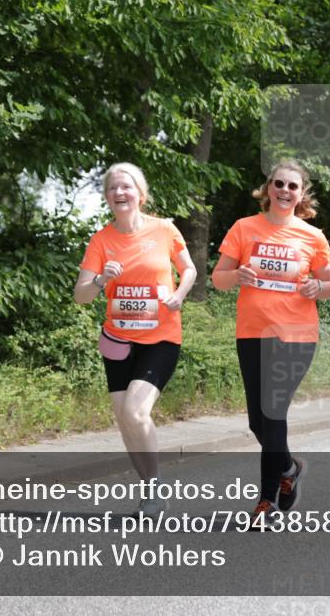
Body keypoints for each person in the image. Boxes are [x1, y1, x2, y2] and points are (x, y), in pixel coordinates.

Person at [211, 160, 330, 526]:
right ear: (267, 189)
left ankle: (265, 502)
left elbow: (328, 286)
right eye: (278, 184)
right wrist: (236, 274)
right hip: (252, 333)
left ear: (301, 194)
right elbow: (218, 279)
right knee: (257, 421)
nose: (284, 190)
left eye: (292, 186)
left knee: (274, 411)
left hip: (296, 335)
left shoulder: (313, 237)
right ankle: (289, 467)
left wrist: (318, 287)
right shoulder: (244, 228)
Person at [74, 162, 196, 515]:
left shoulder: (164, 229)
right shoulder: (102, 240)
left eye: (126, 187)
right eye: (112, 188)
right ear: (107, 198)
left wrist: (180, 294)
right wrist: (99, 281)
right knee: (125, 420)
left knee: (135, 411)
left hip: (160, 338)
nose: (119, 192)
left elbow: (188, 269)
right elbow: (80, 295)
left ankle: (156, 489)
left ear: (140, 194)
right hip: (118, 340)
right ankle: (148, 492)